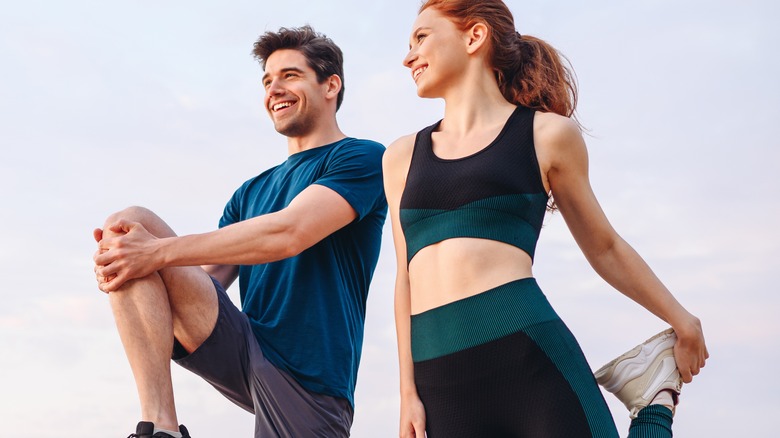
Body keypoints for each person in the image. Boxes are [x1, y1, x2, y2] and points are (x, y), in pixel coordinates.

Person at [382, 1, 709, 437]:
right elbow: (404, 276)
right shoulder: (401, 157)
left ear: (474, 36)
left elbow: (604, 246)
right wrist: (407, 392)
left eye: (421, 37)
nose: (408, 56)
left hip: (528, 358)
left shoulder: (546, 134)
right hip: (439, 378)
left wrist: (682, 319)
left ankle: (653, 403)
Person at [92, 25, 387, 438]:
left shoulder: (362, 158)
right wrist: (127, 261)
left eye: (290, 75)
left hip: (311, 378)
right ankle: (161, 425)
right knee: (126, 226)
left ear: (331, 85)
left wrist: (155, 253)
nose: (274, 89)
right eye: (267, 80)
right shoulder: (249, 193)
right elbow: (203, 282)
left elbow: (289, 233)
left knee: (147, 248)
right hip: (245, 348)